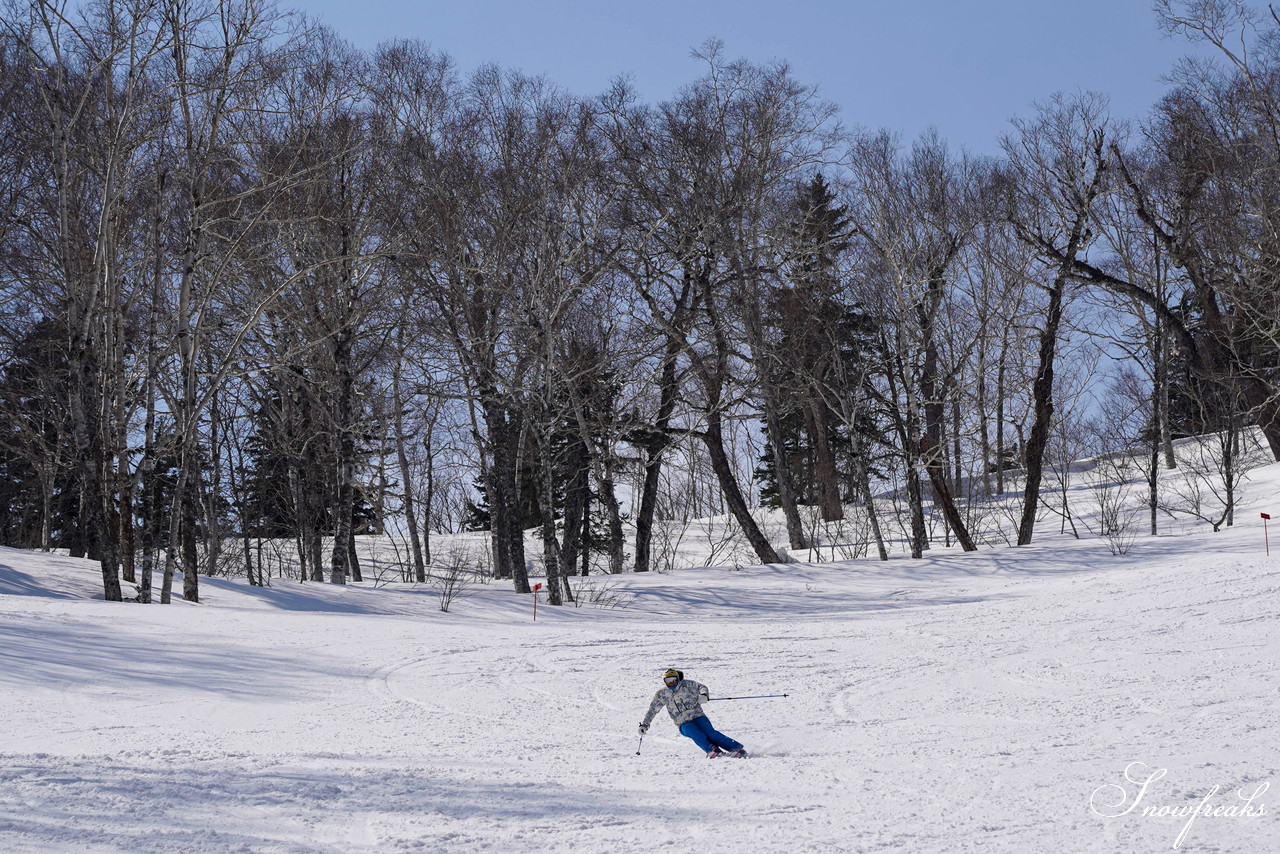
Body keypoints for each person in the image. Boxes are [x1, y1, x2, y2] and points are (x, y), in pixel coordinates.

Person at [639, 668, 747, 758]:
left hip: (698, 716)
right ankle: (713, 750)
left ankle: (736, 749)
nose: (671, 683)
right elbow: (652, 710)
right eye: (668, 681)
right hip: (682, 722)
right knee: (692, 731)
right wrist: (644, 725)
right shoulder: (662, 694)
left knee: (710, 733)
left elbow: (702, 687)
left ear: (677, 679)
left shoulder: (687, 685)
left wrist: (704, 696)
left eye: (673, 680)